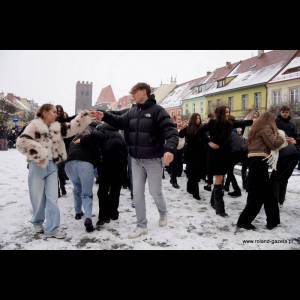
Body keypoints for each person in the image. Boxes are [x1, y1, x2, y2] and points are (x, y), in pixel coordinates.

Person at [96, 82, 178, 239]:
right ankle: (141, 225)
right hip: (135, 159)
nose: (132, 94)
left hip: (153, 159)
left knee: (155, 191)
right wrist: (104, 116)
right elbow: (119, 121)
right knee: (137, 193)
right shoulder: (133, 111)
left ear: (144, 92)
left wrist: (169, 149)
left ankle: (163, 213)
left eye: (135, 91)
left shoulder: (157, 111)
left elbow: (171, 131)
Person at [16, 103, 100, 239]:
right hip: (37, 165)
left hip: (52, 166)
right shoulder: (34, 125)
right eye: (53, 111)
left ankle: (52, 229)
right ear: (44, 112)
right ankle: (37, 223)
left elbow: (72, 127)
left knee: (52, 198)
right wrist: (40, 152)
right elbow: (21, 142)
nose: (56, 114)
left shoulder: (56, 127)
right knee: (37, 198)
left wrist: (85, 116)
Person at [200, 106, 253, 217]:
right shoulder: (213, 123)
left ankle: (213, 202)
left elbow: (242, 122)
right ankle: (220, 209)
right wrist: (209, 142)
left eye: (229, 112)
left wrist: (256, 121)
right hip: (216, 154)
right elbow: (201, 132)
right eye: (226, 112)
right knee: (219, 178)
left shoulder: (230, 123)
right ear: (219, 113)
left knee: (221, 178)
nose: (228, 114)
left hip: (226, 154)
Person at [237, 112, 285, 230]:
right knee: (258, 195)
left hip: (256, 161)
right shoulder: (265, 128)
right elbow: (274, 144)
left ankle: (273, 221)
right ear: (270, 120)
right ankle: (243, 221)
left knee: (268, 193)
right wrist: (281, 136)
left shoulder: (256, 127)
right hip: (260, 161)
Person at [79, 123, 128, 230]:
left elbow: (84, 141)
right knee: (115, 191)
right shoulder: (120, 136)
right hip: (119, 168)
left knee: (102, 192)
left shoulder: (99, 133)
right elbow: (126, 156)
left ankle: (103, 216)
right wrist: (125, 175)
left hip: (105, 166)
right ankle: (113, 213)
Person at [64, 124, 100, 233]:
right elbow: (96, 154)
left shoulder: (74, 139)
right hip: (85, 164)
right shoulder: (90, 138)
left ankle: (78, 213)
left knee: (77, 189)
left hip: (69, 165)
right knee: (87, 194)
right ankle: (88, 218)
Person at [179, 113, 207, 200]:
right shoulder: (189, 128)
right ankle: (196, 193)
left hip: (200, 154)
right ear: (193, 119)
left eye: (199, 118)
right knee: (193, 174)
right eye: (196, 118)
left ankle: (189, 188)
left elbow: (205, 139)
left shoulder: (202, 128)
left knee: (193, 174)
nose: (198, 120)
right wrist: (183, 128)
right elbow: (180, 134)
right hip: (191, 154)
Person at [55, 105, 76, 198]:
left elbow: (71, 122)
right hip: (55, 149)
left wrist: (79, 116)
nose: (59, 112)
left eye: (60, 111)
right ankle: (58, 190)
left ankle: (62, 186)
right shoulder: (53, 121)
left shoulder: (65, 121)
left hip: (65, 148)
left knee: (61, 169)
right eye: (57, 111)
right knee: (57, 170)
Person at [224, 118, 248, 198]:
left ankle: (237, 190)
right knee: (229, 169)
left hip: (236, 152)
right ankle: (227, 186)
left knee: (229, 170)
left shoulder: (227, 131)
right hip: (243, 151)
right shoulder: (233, 131)